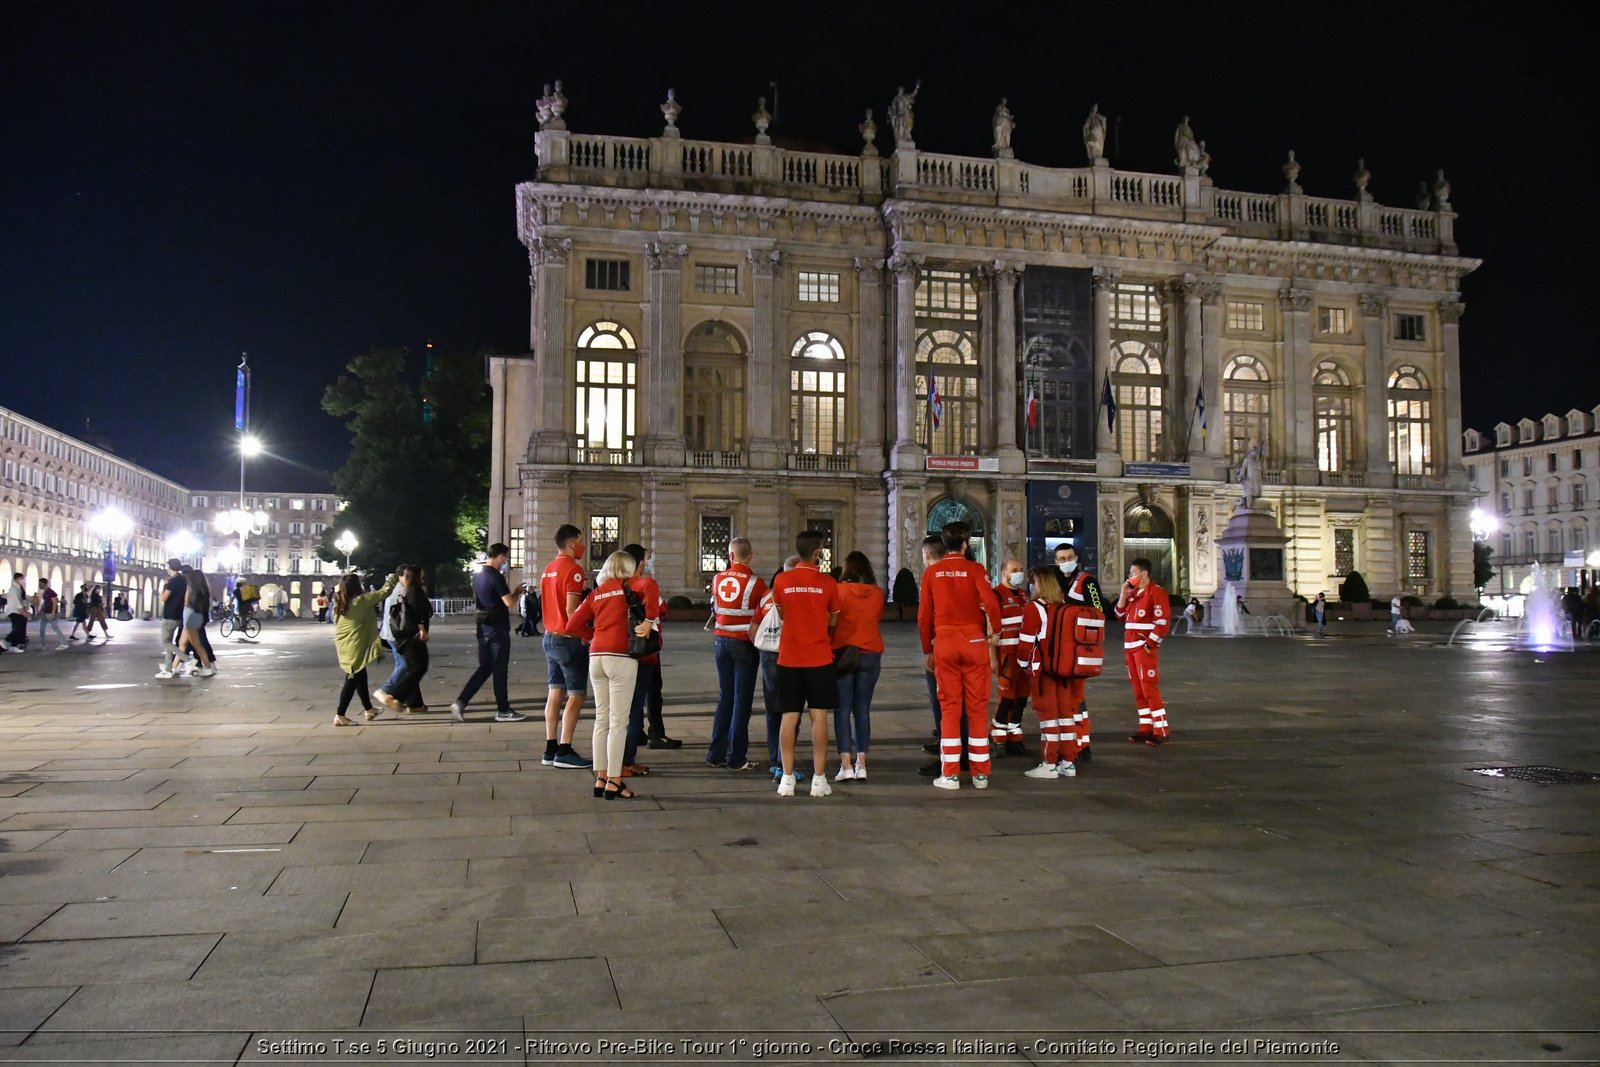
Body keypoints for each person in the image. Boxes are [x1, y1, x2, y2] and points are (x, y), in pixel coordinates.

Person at [557, 550, 658, 800]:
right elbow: (651, 586)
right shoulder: (630, 584)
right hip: (621, 658)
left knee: (601, 719)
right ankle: (615, 780)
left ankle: (600, 777)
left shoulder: (597, 592)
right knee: (619, 722)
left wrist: (593, 636)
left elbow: (571, 626)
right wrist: (650, 619)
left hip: (596, 657)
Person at [919, 522, 1002, 790]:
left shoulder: (933, 573)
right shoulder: (977, 570)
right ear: (966, 544)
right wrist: (995, 631)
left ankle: (950, 774)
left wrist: (927, 650)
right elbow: (990, 602)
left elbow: (924, 617)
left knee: (949, 710)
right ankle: (980, 774)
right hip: (975, 642)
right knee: (977, 709)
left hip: (944, 643)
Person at [771, 531, 841, 798]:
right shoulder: (828, 583)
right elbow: (834, 619)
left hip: (789, 656)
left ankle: (787, 779)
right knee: (819, 716)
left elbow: (781, 613)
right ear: (817, 553)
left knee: (789, 717)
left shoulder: (782, 580)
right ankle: (819, 779)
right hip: (819, 656)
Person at [1016, 565, 1084, 778]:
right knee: (1066, 716)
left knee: (1048, 717)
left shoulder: (1033, 608)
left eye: (1033, 581)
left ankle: (1049, 763)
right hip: (1065, 670)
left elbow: (1026, 643)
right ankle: (1068, 762)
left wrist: (1022, 664)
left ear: (1039, 584)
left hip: (1043, 671)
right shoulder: (1064, 606)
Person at [450, 543, 527, 723]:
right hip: (497, 628)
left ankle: (461, 701)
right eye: (506, 558)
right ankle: (503, 709)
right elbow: (508, 602)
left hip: (482, 627)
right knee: (499, 669)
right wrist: (517, 591)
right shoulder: (496, 577)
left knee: (485, 667)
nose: (506, 562)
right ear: (499, 556)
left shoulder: (477, 576)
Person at [538, 524, 595, 770]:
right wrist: (588, 634)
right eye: (581, 541)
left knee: (555, 692)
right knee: (576, 695)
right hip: (569, 640)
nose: (583, 545)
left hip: (550, 636)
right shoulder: (574, 570)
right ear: (572, 543)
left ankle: (550, 747)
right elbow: (573, 612)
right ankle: (565, 749)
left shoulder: (548, 569)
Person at [708, 537, 767, 772]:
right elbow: (760, 613)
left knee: (725, 698)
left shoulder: (717, 578)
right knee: (742, 702)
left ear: (730, 556)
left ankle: (715, 754)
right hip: (744, 644)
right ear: (750, 556)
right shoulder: (756, 582)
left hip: (721, 641)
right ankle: (736, 757)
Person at [750, 555, 805, 783]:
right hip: (792, 655)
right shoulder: (799, 596)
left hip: (768, 655)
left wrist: (761, 647)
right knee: (792, 711)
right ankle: (785, 763)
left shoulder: (766, 596)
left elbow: (753, 627)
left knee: (773, 709)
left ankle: (776, 761)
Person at [832, 550, 884, 783]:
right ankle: (862, 764)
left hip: (843, 652)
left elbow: (832, 619)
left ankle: (845, 764)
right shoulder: (878, 593)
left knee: (842, 710)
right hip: (871, 652)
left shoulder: (839, 590)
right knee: (862, 710)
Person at [1054, 540, 1104, 763]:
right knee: (1068, 698)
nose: (1067, 562)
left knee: (1077, 697)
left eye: (1070, 557)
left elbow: (1099, 611)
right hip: (1062, 649)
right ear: (1056, 562)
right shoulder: (1057, 581)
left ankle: (1082, 743)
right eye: (1062, 559)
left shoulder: (1087, 582)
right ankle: (1072, 742)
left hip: (1080, 648)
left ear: (1076, 557)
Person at [618, 543, 665, 777]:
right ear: (637, 562)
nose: (647, 563)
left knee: (621, 708)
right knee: (636, 706)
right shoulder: (646, 584)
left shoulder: (616, 584)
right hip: (643, 652)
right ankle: (627, 759)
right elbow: (659, 610)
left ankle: (616, 756)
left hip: (619, 650)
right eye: (645, 559)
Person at [1115, 557, 1172, 745]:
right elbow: (1119, 615)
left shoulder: (1156, 593)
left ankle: (1161, 730)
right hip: (1130, 648)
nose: (1130, 577)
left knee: (1149, 688)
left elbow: (1162, 622)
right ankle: (1145, 727)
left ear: (1144, 574)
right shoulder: (1133, 594)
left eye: (1132, 573)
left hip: (1142, 648)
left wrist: (1149, 644)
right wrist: (1124, 594)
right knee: (1138, 690)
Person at [331, 570, 398, 725]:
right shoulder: (361, 601)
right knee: (352, 678)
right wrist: (392, 577)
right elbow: (384, 592)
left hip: (344, 643)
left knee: (361, 675)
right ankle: (340, 715)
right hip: (354, 645)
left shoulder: (340, 602)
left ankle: (369, 709)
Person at [376, 565, 433, 715]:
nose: (424, 577)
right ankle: (389, 692)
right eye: (421, 575)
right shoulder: (410, 590)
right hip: (406, 635)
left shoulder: (404, 589)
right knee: (413, 667)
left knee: (413, 668)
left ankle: (414, 703)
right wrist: (422, 629)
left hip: (396, 634)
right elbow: (417, 612)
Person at [990, 557, 1033, 758]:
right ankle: (998, 736)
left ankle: (1015, 736)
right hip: (1006, 654)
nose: (1019, 573)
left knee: (1022, 697)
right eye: (1014, 569)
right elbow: (991, 629)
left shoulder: (1024, 596)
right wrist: (993, 657)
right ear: (1004, 573)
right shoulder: (996, 595)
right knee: (1006, 698)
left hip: (1025, 655)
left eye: (1021, 569)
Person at [170, 567, 216, 678]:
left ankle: (207, 668)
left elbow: (186, 604)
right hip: (197, 616)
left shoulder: (191, 589)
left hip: (189, 616)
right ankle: (173, 668)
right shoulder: (204, 590)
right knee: (182, 643)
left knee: (197, 645)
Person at [154, 561, 187, 678]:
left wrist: (164, 586)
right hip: (179, 614)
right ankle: (168, 669)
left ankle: (187, 659)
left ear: (170, 567)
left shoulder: (172, 582)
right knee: (169, 642)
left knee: (164, 641)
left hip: (169, 615)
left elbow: (164, 597)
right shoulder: (183, 580)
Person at [36, 577, 68, 650]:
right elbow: (45, 602)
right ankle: (42, 645)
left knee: (55, 628)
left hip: (50, 613)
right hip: (45, 613)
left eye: (40, 583)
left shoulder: (51, 592)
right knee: (41, 629)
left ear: (44, 584)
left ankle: (64, 643)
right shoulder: (44, 592)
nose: (39, 585)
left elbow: (54, 603)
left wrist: (53, 612)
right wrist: (40, 610)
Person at [3, 572, 30, 652]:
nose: (23, 581)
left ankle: (13, 646)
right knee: (18, 628)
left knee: (18, 628)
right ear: (17, 579)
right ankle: (5, 641)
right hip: (14, 611)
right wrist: (23, 612)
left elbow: (22, 600)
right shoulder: (14, 589)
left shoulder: (19, 588)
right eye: (21, 579)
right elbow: (17, 602)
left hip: (17, 611)